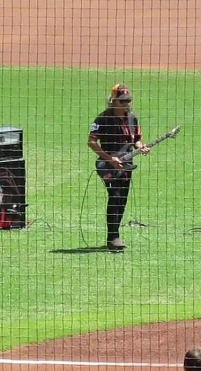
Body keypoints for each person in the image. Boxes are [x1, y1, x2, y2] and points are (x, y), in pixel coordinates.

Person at [87, 83, 151, 251]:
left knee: (122, 199)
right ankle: (113, 237)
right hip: (108, 166)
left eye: (128, 101)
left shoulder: (132, 118)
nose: (126, 104)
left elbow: (135, 138)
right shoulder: (102, 119)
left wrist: (140, 147)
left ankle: (114, 236)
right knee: (115, 197)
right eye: (122, 101)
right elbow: (91, 142)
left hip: (127, 164)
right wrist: (110, 158)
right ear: (113, 101)